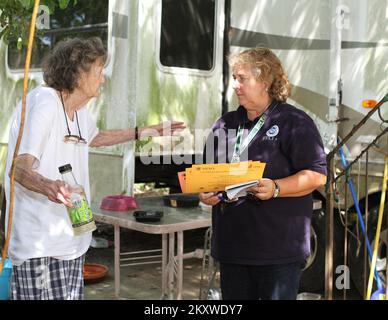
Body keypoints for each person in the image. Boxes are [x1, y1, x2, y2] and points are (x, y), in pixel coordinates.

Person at [4, 37, 185, 300]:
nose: (103, 79)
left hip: (72, 240)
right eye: (99, 71)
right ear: (77, 73)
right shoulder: (44, 103)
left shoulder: (79, 110)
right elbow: (18, 169)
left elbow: (95, 137)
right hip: (40, 244)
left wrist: (145, 131)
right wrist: (49, 186)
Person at [199, 48, 327, 300]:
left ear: (266, 80)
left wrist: (276, 187)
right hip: (233, 249)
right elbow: (209, 176)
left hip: (278, 251)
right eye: (234, 77)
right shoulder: (224, 124)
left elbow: (317, 176)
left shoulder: (294, 122)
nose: (235, 85)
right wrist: (205, 193)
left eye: (242, 78)